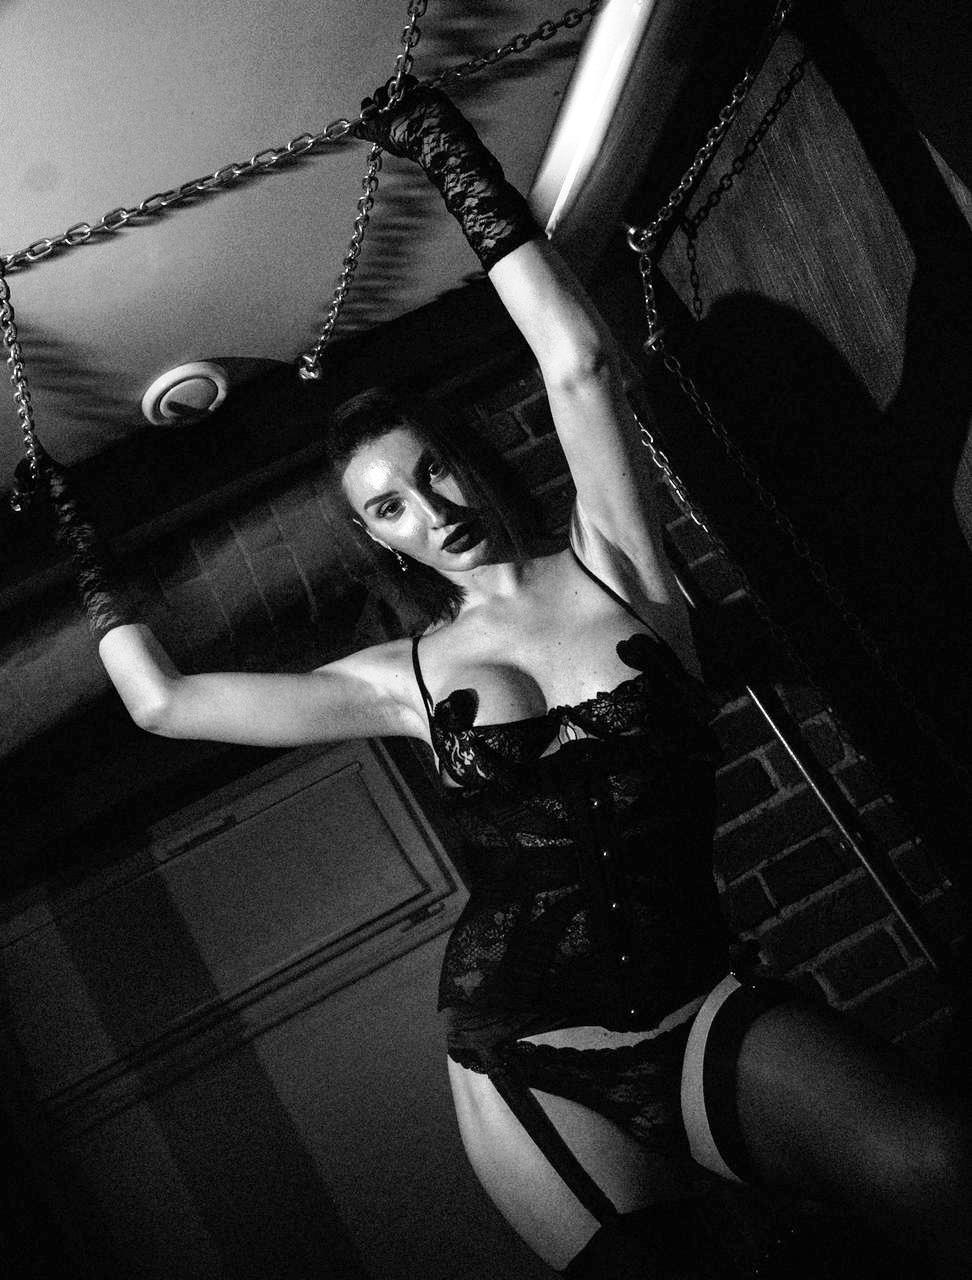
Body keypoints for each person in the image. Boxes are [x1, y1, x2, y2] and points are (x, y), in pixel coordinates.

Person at [44, 82, 969, 1277]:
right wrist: (83, 545)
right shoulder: (402, 676)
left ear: (469, 461)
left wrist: (452, 157)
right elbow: (164, 701)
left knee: (940, 1164)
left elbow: (577, 362)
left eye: (432, 471)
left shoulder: (615, 565)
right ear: (380, 539)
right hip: (523, 1043)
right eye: (389, 507)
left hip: (701, 1001)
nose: (428, 509)